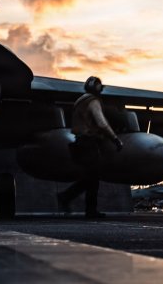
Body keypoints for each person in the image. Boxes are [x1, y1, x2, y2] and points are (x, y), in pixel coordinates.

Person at [56, 76, 124, 219]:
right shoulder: (92, 101)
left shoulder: (80, 100)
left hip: (79, 142)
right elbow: (101, 122)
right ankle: (83, 207)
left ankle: (68, 198)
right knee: (93, 178)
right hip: (89, 143)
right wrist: (115, 139)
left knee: (90, 177)